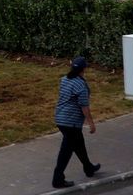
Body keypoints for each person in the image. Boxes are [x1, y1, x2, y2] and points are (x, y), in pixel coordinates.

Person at [52, 56, 101, 189]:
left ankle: (88, 168)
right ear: (84, 69)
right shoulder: (80, 85)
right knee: (66, 152)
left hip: (60, 118)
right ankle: (57, 179)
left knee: (79, 144)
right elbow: (84, 106)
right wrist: (91, 123)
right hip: (70, 123)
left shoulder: (64, 79)